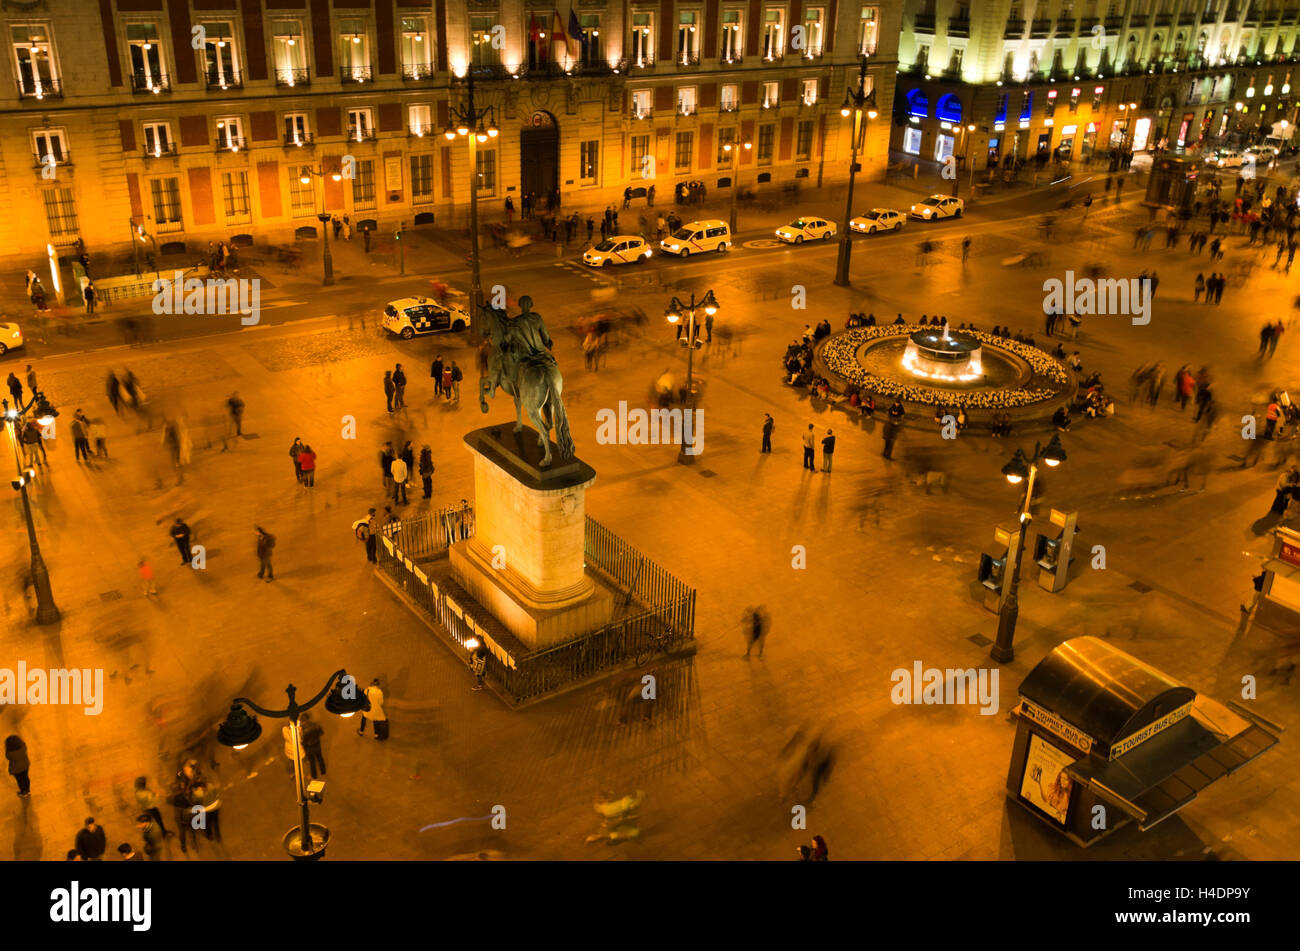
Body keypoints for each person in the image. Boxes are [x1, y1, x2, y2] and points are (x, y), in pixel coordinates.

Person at [300, 713, 327, 778]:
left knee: (312, 761)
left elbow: (304, 741)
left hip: (309, 748)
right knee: (320, 758)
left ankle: (314, 775)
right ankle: (323, 771)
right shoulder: (315, 725)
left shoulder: (303, 729)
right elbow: (321, 732)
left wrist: (302, 744)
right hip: (317, 745)